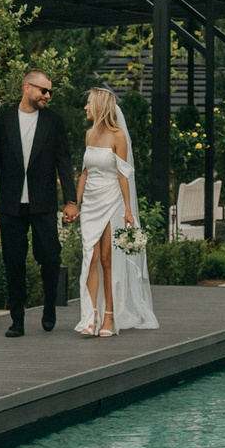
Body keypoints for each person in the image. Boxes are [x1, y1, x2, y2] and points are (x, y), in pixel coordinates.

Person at [0, 68, 77, 337]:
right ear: (27, 88)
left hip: (43, 202)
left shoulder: (54, 121)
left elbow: (63, 160)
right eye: (44, 90)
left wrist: (70, 200)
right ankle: (17, 320)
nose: (47, 95)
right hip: (11, 203)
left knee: (50, 257)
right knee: (13, 262)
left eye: (49, 91)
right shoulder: (4, 119)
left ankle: (49, 307)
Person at [73, 87, 157, 336]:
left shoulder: (118, 136)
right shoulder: (89, 134)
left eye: (89, 103)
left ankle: (109, 315)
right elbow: (84, 173)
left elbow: (123, 175)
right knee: (90, 257)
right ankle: (91, 316)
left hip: (112, 199)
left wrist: (128, 210)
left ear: (99, 106)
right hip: (90, 202)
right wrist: (74, 203)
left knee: (107, 259)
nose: (85, 107)